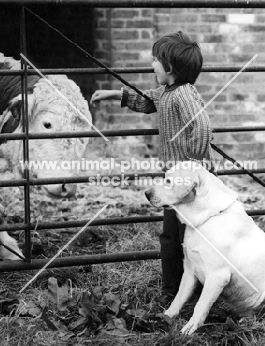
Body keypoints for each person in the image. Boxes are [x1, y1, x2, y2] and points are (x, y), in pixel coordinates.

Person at [91, 31, 215, 305]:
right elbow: (146, 101)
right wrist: (115, 94)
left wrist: (193, 165)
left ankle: (186, 291)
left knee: (188, 237)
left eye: (156, 60)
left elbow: (203, 126)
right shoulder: (168, 93)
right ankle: (174, 291)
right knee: (172, 236)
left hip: (191, 186)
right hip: (177, 184)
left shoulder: (183, 95)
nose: (151, 65)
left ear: (170, 68)